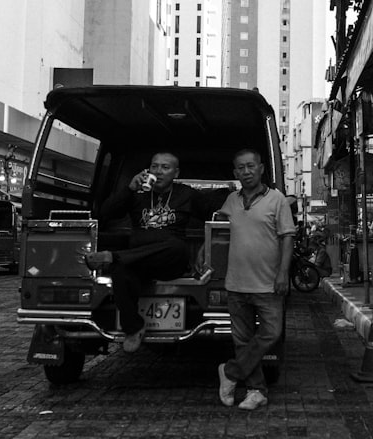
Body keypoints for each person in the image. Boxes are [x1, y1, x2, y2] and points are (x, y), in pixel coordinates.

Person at [85, 151, 210, 353]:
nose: (158, 172)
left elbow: (213, 214)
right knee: (120, 270)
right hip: (139, 260)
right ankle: (133, 328)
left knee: (176, 246)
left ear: (176, 173)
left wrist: (207, 243)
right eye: (154, 166)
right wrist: (128, 189)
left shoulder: (186, 194)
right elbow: (105, 213)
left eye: (165, 167)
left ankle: (114, 257)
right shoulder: (137, 192)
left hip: (169, 260)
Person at [216, 148, 295, 410]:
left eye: (251, 166)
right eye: (240, 168)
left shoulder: (277, 199)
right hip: (236, 283)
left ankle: (230, 372)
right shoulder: (231, 200)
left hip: (268, 283)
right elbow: (218, 229)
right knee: (242, 340)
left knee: (272, 333)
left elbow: (287, 237)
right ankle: (255, 391)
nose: (246, 172)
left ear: (261, 168)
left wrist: (283, 272)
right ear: (235, 172)